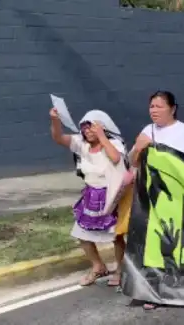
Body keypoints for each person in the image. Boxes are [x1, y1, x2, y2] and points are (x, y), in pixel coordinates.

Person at [128, 90, 184, 310]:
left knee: (176, 246)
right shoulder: (147, 131)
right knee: (152, 248)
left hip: (179, 202)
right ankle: (153, 292)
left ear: (172, 108)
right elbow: (134, 163)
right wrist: (139, 147)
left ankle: (181, 288)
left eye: (159, 106)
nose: (153, 111)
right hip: (151, 201)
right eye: (151, 106)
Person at [49, 108, 128, 287]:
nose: (87, 132)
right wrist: (55, 120)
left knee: (116, 235)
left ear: (102, 128)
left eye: (91, 127)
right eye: (84, 128)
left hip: (111, 196)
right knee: (82, 233)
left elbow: (115, 158)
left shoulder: (114, 143)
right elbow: (58, 138)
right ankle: (98, 266)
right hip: (91, 195)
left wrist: (102, 137)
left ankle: (120, 269)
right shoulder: (81, 144)